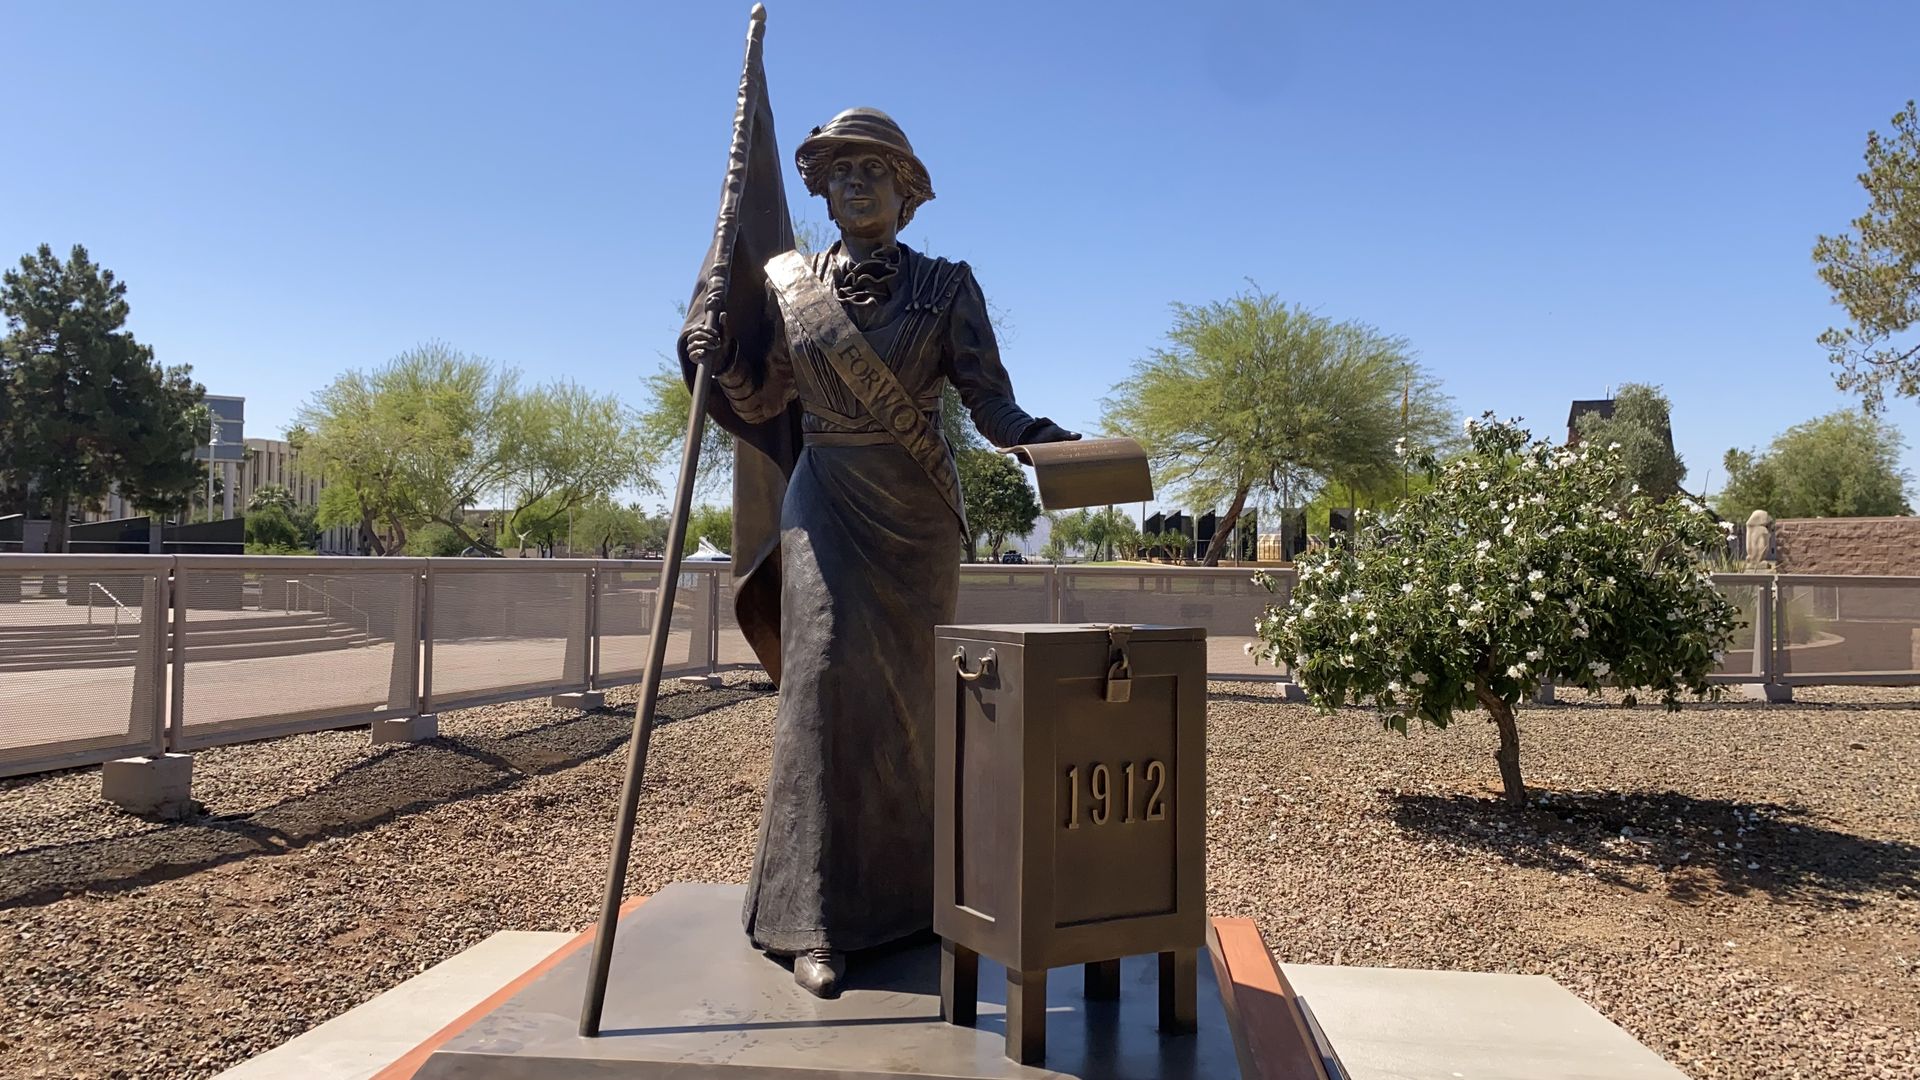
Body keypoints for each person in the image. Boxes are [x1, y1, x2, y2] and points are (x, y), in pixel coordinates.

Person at [681, 107, 1075, 998]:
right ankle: (814, 918)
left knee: (911, 707)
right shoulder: (791, 284)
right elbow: (765, 389)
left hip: (918, 513)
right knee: (820, 677)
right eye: (839, 173)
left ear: (909, 191)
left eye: (874, 172)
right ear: (820, 191)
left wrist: (1044, 441)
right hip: (825, 492)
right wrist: (712, 355)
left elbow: (990, 403)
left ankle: (914, 900)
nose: (856, 185)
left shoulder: (947, 286)